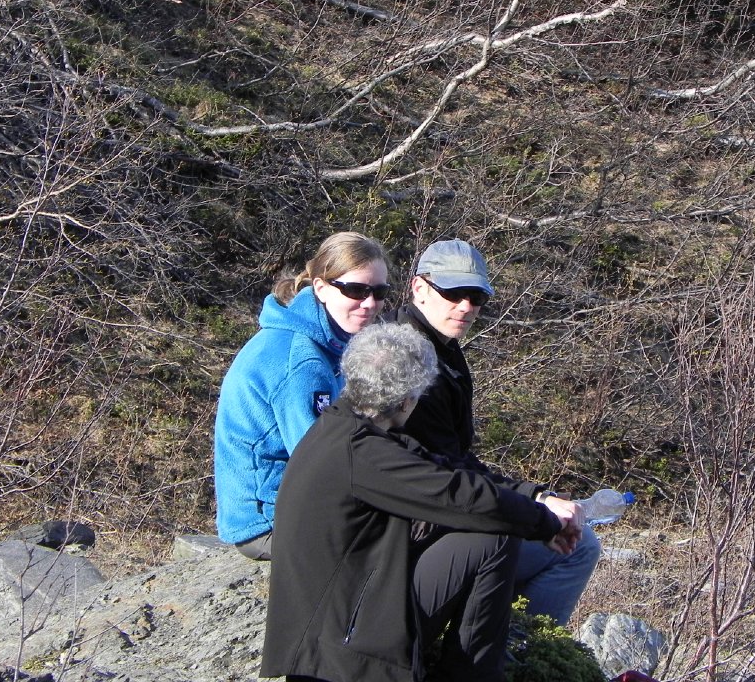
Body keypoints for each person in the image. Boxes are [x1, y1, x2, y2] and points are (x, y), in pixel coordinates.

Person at [260, 323, 582, 682]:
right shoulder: (362, 453)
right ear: (407, 400)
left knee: (487, 531)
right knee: (494, 539)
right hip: (337, 652)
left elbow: (446, 469)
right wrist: (544, 523)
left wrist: (536, 498)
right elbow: (459, 496)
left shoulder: (343, 427)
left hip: (336, 624)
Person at [387, 238, 603, 626]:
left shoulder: (440, 347)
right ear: (419, 288)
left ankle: (507, 636)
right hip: (415, 531)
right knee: (581, 546)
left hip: (432, 515)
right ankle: (525, 645)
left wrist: (534, 498)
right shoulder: (409, 362)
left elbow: (456, 461)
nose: (466, 306)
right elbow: (448, 472)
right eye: (453, 293)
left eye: (476, 297)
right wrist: (534, 505)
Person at [213, 232, 390, 560]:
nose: (369, 303)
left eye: (379, 292)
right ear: (321, 287)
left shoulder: (323, 340)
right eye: (356, 290)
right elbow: (322, 461)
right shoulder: (303, 362)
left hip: (287, 506)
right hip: (268, 522)